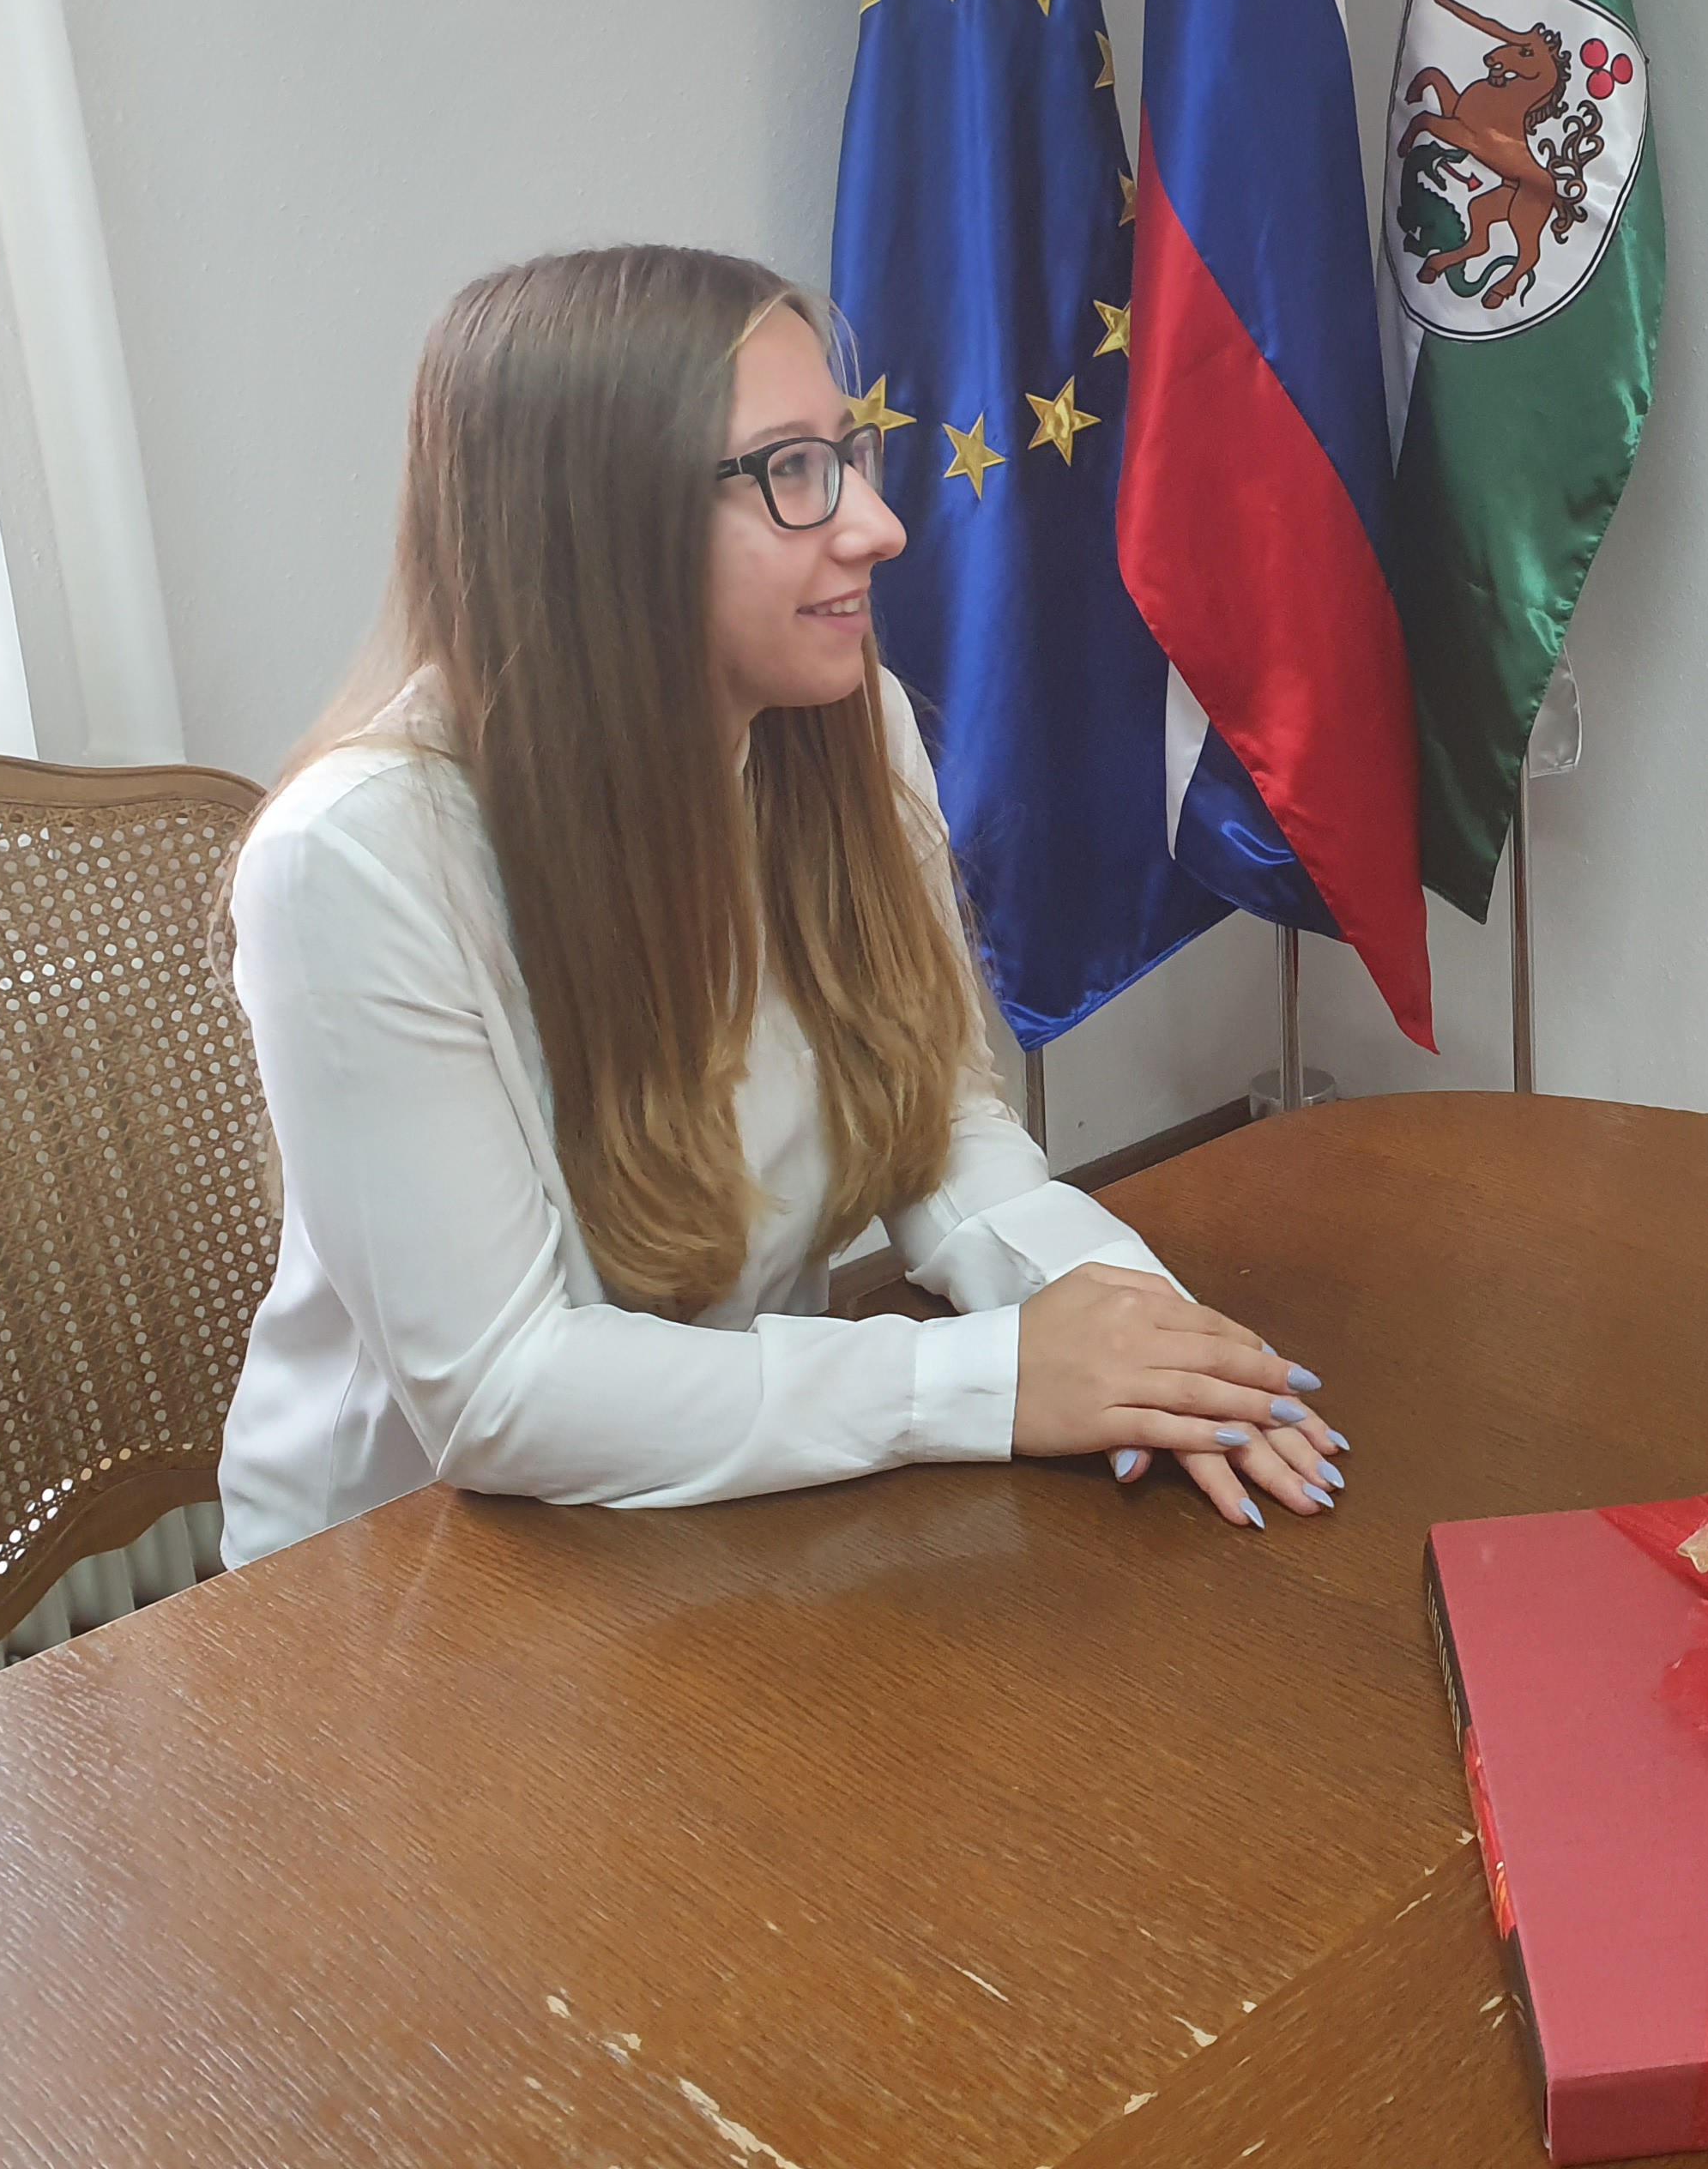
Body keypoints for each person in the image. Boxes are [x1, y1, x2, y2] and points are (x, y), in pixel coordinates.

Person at [217, 245, 1338, 1562]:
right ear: (603, 525)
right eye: (793, 472)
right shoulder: (356, 857)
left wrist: (1141, 1331)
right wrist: (987, 1380)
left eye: (849, 455)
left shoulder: (845, 719)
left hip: (713, 1510)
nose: (879, 525)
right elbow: (500, 1395)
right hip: (389, 1582)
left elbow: (938, 1127)